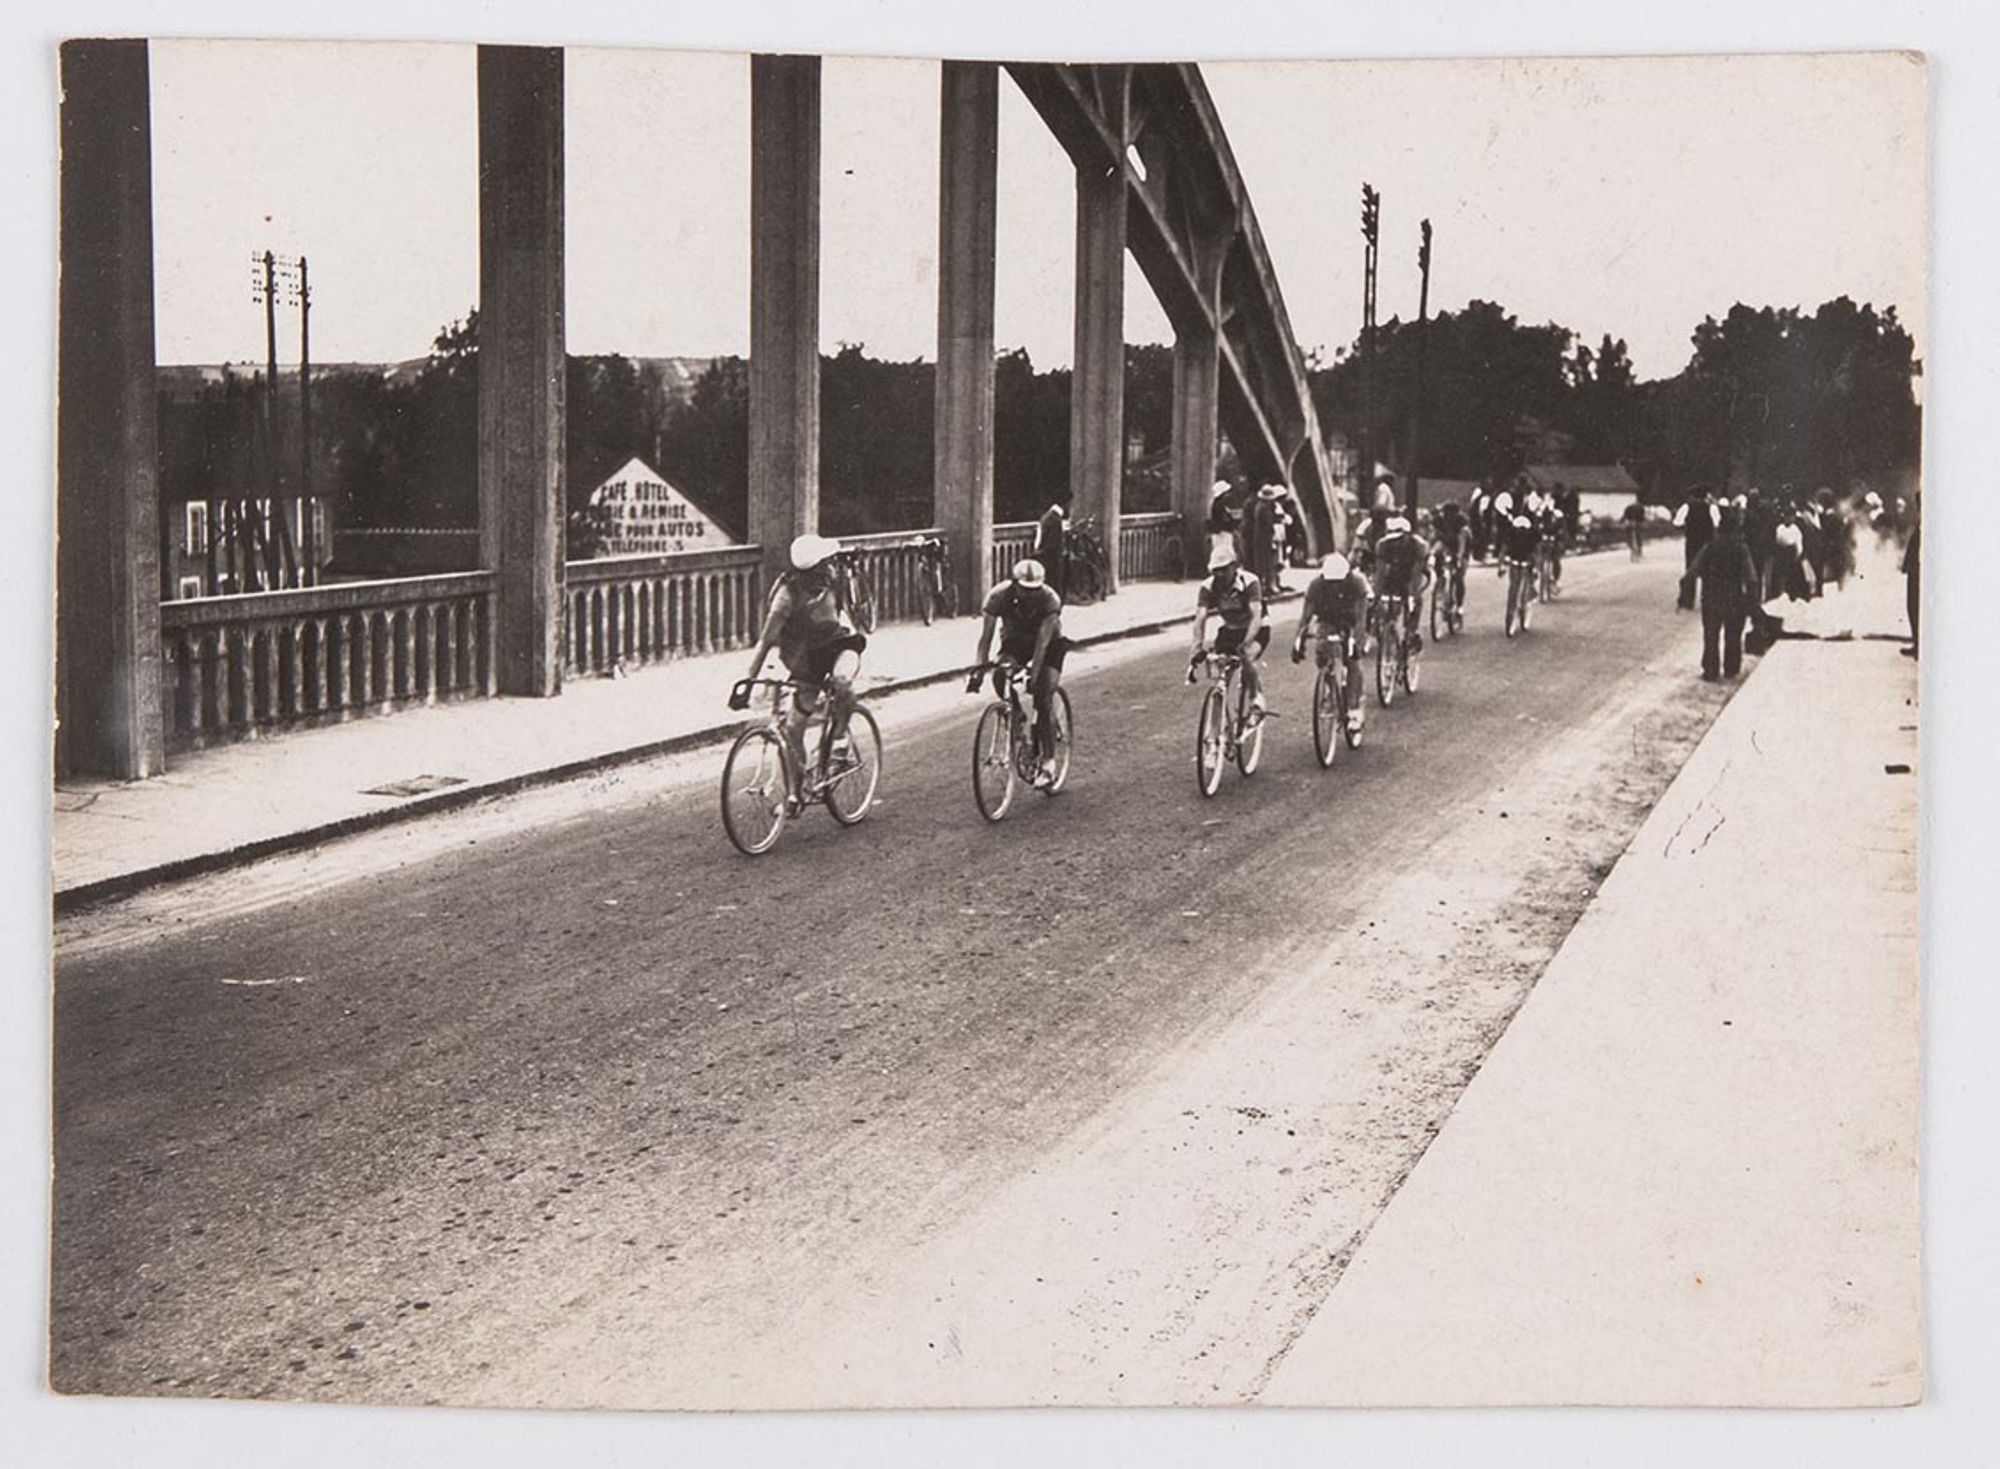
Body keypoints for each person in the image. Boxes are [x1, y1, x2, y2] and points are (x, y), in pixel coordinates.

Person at [734, 533, 868, 796]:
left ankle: (839, 743)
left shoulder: (835, 581)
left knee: (843, 682)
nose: (829, 567)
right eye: (824, 563)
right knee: (793, 728)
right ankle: (797, 791)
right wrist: (747, 683)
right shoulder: (786, 597)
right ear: (811, 569)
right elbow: (765, 642)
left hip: (841, 646)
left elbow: (849, 618)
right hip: (808, 659)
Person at [969, 557, 1069, 783]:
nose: (1030, 596)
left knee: (1042, 697)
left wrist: (1033, 674)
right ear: (1014, 584)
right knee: (999, 675)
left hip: (1049, 645)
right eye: (1025, 590)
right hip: (1015, 642)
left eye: (1035, 590)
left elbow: (1043, 642)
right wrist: (978, 670)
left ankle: (1049, 762)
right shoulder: (998, 597)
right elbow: (986, 638)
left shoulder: (1049, 599)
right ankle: (1016, 716)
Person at [1292, 551, 1371, 735]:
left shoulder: (1357, 583)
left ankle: (1354, 709)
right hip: (1327, 619)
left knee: (1353, 660)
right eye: (1330, 583)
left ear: (1347, 577)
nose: (1334, 587)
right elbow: (1305, 618)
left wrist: (1356, 643)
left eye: (1338, 582)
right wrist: (1298, 642)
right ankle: (1328, 688)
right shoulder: (1316, 586)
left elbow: (1361, 619)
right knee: (1322, 649)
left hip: (1350, 620)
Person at [1679, 506, 1760, 681]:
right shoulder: (1741, 549)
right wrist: (1753, 601)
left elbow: (1692, 572)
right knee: (1733, 634)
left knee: (1711, 635)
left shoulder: (1709, 547)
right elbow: (1751, 577)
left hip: (1711, 597)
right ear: (1736, 530)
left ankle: (1711, 670)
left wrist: (1684, 596)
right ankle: (1731, 669)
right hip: (1734, 598)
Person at [1190, 541, 1268, 719]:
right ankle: (1221, 720)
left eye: (1224, 569)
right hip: (1230, 629)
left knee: (1247, 656)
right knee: (1220, 667)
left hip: (1256, 628)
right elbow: (1200, 617)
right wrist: (1196, 646)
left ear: (1234, 567)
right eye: (1216, 570)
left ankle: (1256, 697)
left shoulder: (1250, 582)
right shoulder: (1208, 587)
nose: (1220, 574)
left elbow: (1256, 615)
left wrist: (1247, 642)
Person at [1372, 513, 1432, 650]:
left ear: (1407, 535)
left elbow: (1416, 573)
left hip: (1413, 571)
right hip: (1393, 571)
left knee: (1415, 600)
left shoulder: (1419, 545)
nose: (1396, 543)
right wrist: (1377, 594)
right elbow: (1380, 571)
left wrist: (1413, 594)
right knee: (1385, 600)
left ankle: (1413, 630)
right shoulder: (1382, 545)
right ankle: (1389, 624)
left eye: (1399, 539)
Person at [1432, 499, 1470, 613]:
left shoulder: (1462, 521)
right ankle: (1440, 583)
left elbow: (1462, 539)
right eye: (1446, 514)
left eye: (1451, 514)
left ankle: (1459, 605)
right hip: (1446, 543)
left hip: (1461, 545)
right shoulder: (1438, 520)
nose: (1448, 517)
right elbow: (1435, 537)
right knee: (1438, 556)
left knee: (1459, 576)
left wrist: (1459, 556)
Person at [1034, 497, 1069, 598]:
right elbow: (1054, 543)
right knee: (1055, 584)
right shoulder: (1055, 519)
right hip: (1052, 559)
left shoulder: (1047, 517)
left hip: (1045, 555)